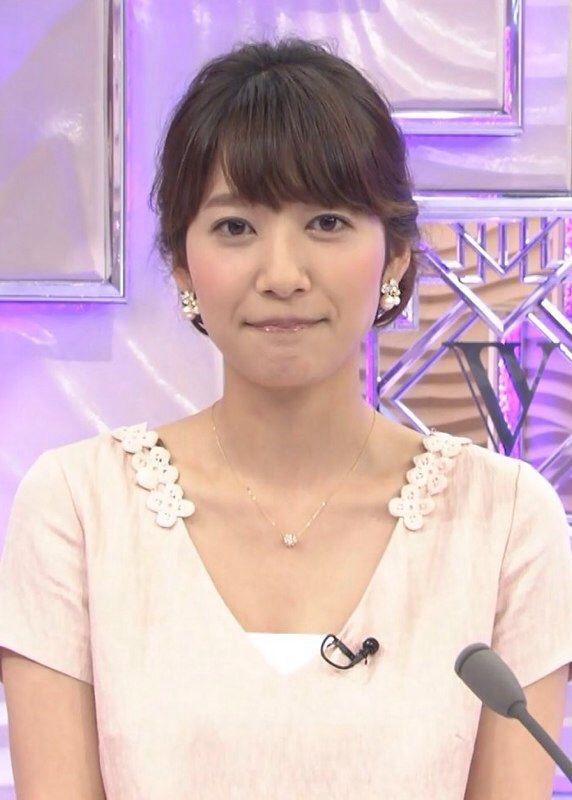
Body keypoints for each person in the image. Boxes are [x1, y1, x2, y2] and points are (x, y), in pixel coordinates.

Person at [1, 35, 572, 800]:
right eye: (236, 227)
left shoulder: (505, 521)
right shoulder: (78, 507)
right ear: (182, 263)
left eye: (327, 222)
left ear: (396, 256)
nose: (281, 275)